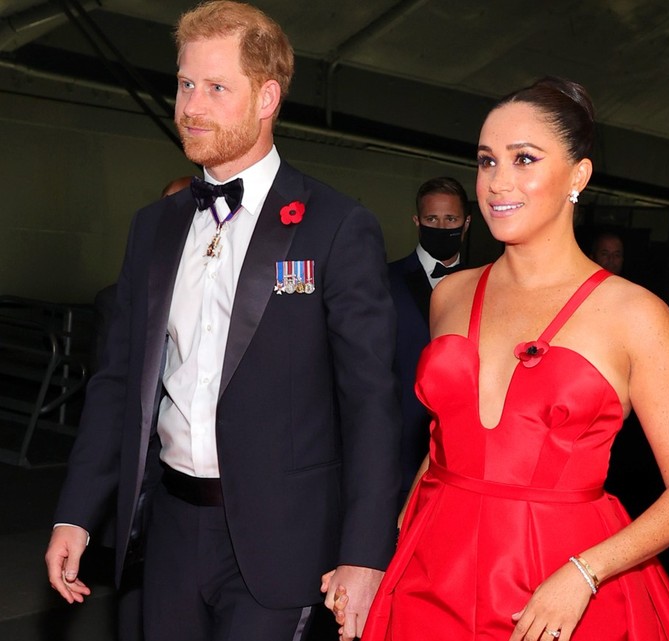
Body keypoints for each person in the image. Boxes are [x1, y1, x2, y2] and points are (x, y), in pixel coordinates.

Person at [44, 3, 400, 641]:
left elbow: (371, 402)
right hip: (170, 529)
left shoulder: (336, 225)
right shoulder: (154, 227)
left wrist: (365, 552)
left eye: (215, 88)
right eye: (184, 84)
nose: (190, 106)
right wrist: (76, 513)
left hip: (284, 540)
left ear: (267, 97)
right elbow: (118, 380)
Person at [330, 77, 669, 640]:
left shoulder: (636, 315)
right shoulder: (451, 295)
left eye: (524, 159)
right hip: (432, 574)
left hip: (557, 590)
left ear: (578, 177)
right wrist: (380, 553)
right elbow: (440, 448)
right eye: (487, 162)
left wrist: (585, 574)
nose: (497, 182)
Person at [387, 177, 471, 501]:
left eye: (450, 219)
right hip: (397, 452)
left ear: (465, 224)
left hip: (461, 457)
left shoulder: (487, 287)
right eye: (432, 219)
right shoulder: (383, 281)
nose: (441, 226)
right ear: (417, 222)